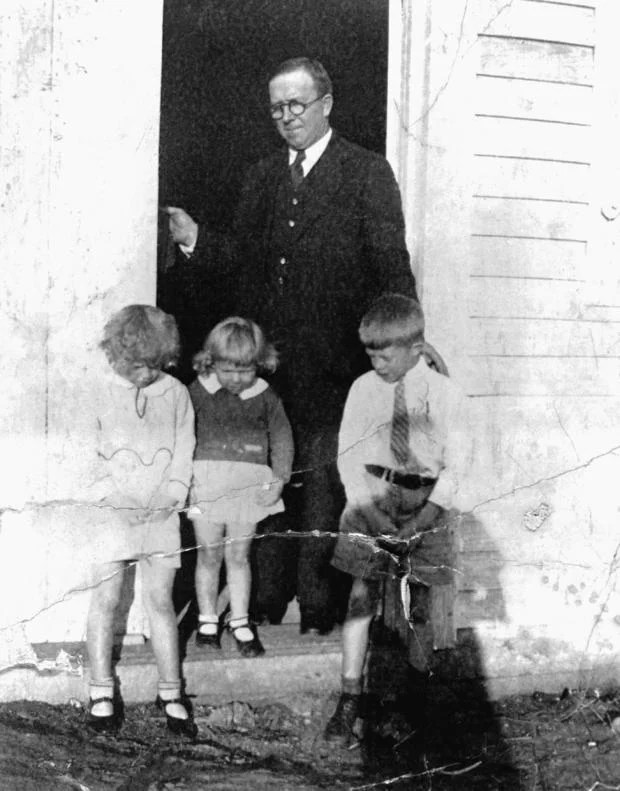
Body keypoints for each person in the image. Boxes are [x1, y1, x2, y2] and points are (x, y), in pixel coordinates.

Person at [162, 56, 422, 634]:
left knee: (322, 482)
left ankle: (318, 606)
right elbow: (242, 261)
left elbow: (391, 266)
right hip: (268, 371)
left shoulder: (366, 173)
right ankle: (263, 601)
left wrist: (405, 342)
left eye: (296, 105)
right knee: (265, 482)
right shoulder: (260, 177)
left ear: (326, 104)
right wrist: (197, 240)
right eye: (277, 107)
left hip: (335, 368)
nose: (286, 117)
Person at [323, 294, 468, 746]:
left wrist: (424, 516)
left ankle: (413, 699)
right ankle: (350, 696)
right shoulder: (364, 389)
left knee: (419, 604)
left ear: (416, 348)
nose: (376, 363)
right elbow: (347, 454)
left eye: (384, 354)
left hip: (426, 502)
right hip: (372, 496)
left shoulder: (445, 394)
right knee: (360, 598)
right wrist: (368, 508)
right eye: (370, 353)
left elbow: (459, 464)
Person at [85, 305, 196, 738]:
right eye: (135, 367)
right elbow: (85, 453)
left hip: (160, 514)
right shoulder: (99, 392)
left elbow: (184, 447)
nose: (145, 375)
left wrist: (173, 494)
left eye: (154, 366)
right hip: (112, 515)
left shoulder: (176, 394)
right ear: (115, 357)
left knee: (160, 602)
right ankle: (100, 689)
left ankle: (170, 691)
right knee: (106, 600)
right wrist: (111, 497)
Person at [187, 317, 294, 657]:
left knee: (239, 555)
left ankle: (240, 620)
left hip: (248, 484)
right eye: (227, 370)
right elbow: (179, 434)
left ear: (258, 363)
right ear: (211, 362)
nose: (236, 379)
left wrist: (279, 477)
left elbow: (282, 438)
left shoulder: (265, 396)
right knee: (208, 553)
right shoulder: (196, 392)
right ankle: (206, 619)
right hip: (205, 481)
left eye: (245, 370)